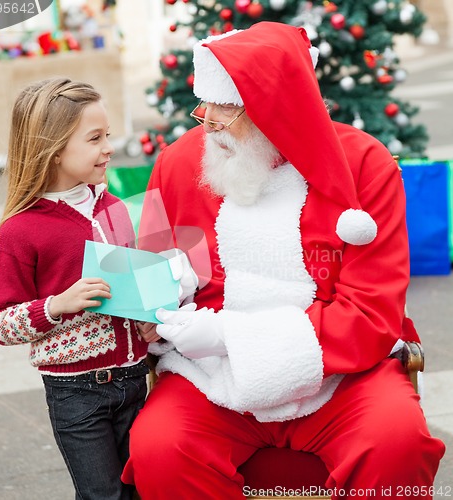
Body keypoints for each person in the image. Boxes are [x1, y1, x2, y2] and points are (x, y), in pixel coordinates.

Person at [121, 22, 445, 497]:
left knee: (396, 443)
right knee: (160, 447)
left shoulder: (364, 165)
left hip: (342, 375)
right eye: (203, 105)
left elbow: (372, 313)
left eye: (225, 108)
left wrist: (230, 335)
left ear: (280, 109)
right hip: (209, 375)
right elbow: (154, 266)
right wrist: (150, 312)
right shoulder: (178, 163)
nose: (207, 121)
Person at [0, 77, 154, 500]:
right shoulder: (20, 231)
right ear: (54, 148)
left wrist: (151, 320)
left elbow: (136, 288)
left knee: (141, 489)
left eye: (107, 136)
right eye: (95, 139)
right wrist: (56, 306)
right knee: (102, 495)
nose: (109, 148)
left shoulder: (115, 208)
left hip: (136, 380)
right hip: (76, 395)